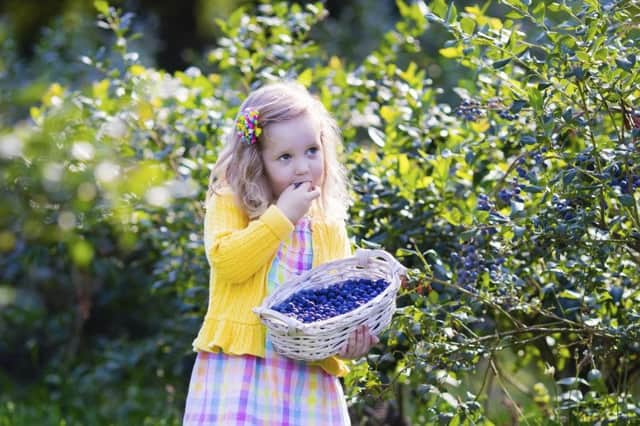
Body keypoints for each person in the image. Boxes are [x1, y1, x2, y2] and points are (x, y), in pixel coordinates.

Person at [183, 81, 379, 425]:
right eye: (285, 157)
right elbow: (228, 263)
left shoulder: (327, 224)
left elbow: (335, 303)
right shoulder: (231, 199)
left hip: (308, 383)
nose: (303, 167)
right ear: (256, 161)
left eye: (311, 151)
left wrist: (347, 342)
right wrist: (283, 216)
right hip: (240, 376)